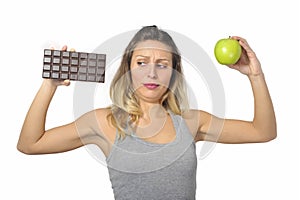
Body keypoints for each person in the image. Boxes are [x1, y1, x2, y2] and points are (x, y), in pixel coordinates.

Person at [17, 25, 277, 200]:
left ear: (174, 72)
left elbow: (263, 132)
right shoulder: (104, 122)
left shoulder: (192, 121)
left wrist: (255, 75)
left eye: (162, 65)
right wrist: (49, 85)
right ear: (127, 69)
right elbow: (30, 144)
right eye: (141, 63)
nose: (152, 73)